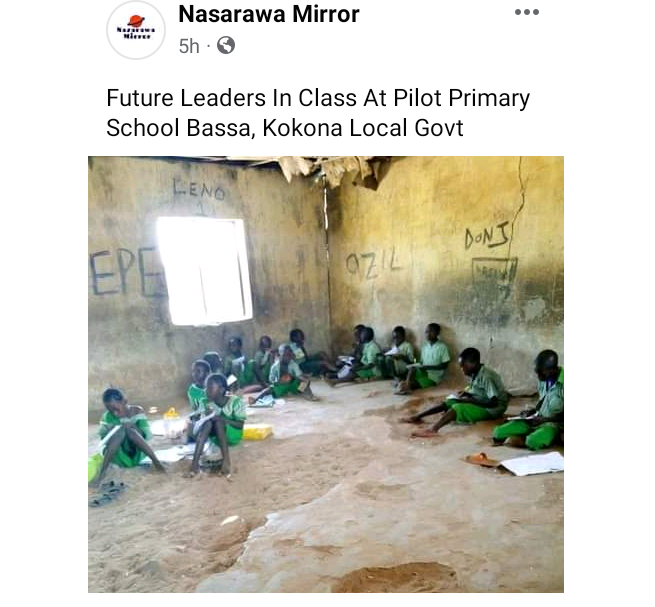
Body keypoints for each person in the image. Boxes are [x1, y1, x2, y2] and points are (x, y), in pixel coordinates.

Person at [402, 347, 509, 438]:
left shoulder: (487, 377)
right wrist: (468, 394)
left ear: (474, 363)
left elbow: (494, 402)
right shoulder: (476, 372)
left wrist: (471, 401)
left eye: (463, 366)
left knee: (458, 407)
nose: (462, 369)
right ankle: (417, 417)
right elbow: (481, 391)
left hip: (492, 410)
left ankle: (433, 429)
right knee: (451, 401)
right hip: (483, 401)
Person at [91, 388, 165, 487]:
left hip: (137, 453)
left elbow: (146, 435)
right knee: (120, 432)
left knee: (130, 431)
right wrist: (110, 431)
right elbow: (103, 440)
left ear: (124, 402)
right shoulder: (107, 417)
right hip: (118, 455)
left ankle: (157, 463)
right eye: (110, 410)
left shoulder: (137, 411)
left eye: (116, 409)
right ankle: (103, 473)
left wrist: (132, 426)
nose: (115, 413)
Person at [492, 350, 563, 450]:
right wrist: (531, 412)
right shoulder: (544, 380)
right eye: (536, 371)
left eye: (541, 372)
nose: (538, 376)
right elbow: (542, 403)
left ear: (553, 369)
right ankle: (528, 436)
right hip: (536, 419)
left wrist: (545, 420)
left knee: (532, 441)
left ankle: (544, 437)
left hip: (553, 424)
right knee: (498, 432)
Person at [185, 374, 246, 478]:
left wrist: (222, 419)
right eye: (206, 388)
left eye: (210, 388)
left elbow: (240, 425)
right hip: (215, 438)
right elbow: (200, 421)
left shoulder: (236, 402)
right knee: (207, 423)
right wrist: (203, 416)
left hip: (232, 436)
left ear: (222, 390)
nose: (206, 391)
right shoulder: (205, 402)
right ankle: (194, 465)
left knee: (218, 422)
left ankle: (226, 462)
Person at [249, 344, 318, 402]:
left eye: (289, 355)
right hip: (281, 386)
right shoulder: (275, 366)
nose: (287, 357)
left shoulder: (293, 364)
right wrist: (279, 381)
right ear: (279, 355)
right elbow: (271, 380)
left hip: (292, 385)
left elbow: (299, 375)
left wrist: (295, 378)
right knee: (269, 390)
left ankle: (309, 395)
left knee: (305, 382)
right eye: (285, 355)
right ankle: (256, 399)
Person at [395, 323, 450, 395]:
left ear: (437, 333)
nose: (428, 334)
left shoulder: (442, 347)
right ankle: (405, 385)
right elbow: (421, 362)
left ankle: (405, 386)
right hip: (422, 372)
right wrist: (417, 365)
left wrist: (427, 367)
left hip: (433, 377)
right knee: (412, 368)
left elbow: (444, 366)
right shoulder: (424, 346)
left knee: (410, 384)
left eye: (431, 331)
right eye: (426, 332)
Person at [185, 359, 211, 442]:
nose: (194, 374)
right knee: (191, 424)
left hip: (214, 415)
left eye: (198, 371)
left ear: (207, 373)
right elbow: (195, 408)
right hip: (202, 417)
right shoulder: (192, 390)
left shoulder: (214, 385)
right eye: (193, 371)